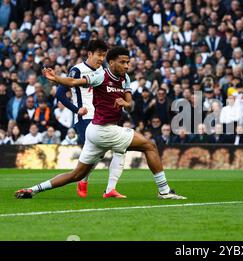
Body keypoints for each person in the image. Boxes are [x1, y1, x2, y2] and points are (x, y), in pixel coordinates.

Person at [15, 46, 186, 200]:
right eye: (122, 62)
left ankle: (33, 190)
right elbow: (74, 82)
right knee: (149, 146)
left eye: (128, 62)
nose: (127, 66)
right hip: (102, 130)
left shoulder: (125, 78)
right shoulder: (100, 76)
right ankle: (164, 191)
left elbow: (129, 103)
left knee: (76, 174)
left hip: (98, 131)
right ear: (111, 62)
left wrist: (124, 103)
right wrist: (56, 78)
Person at [55, 40, 127, 198]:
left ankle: (96, 184)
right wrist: (77, 110)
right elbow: (60, 93)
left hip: (102, 115)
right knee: (98, 151)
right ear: (89, 54)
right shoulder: (77, 70)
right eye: (99, 55)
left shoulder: (103, 71)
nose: (101, 59)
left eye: (104, 55)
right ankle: (84, 180)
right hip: (85, 116)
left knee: (106, 151)